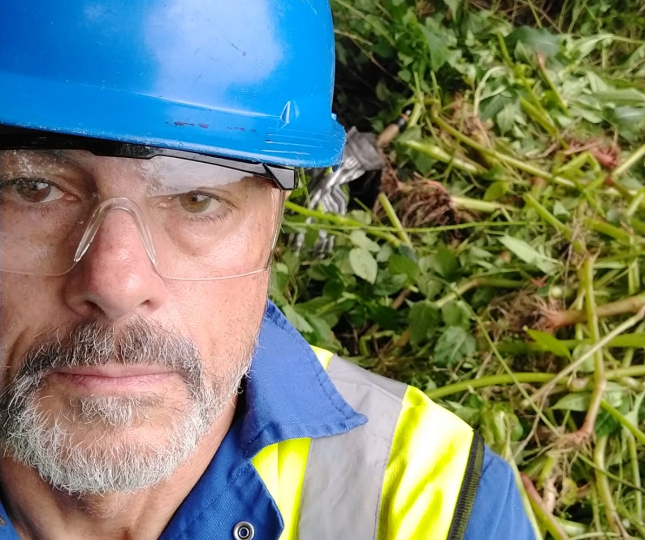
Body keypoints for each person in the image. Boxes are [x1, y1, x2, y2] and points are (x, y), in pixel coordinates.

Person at [0, 1, 536, 539]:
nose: (116, 284)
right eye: (33, 189)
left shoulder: (440, 506)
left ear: (273, 230)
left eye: (195, 199)